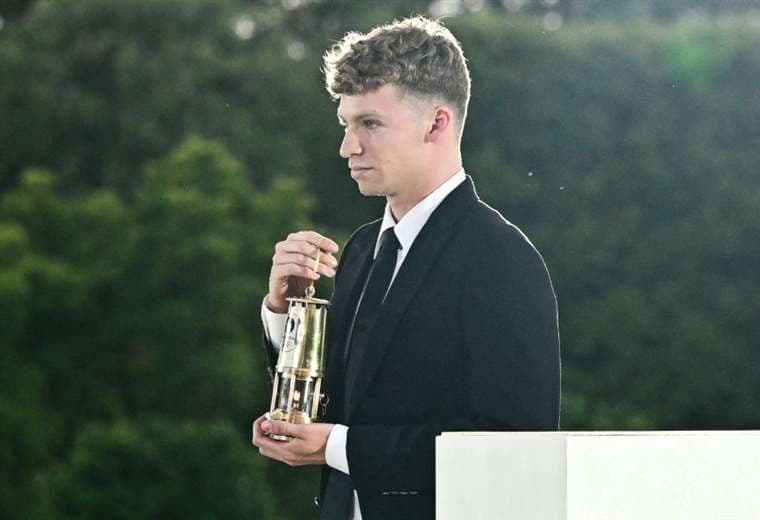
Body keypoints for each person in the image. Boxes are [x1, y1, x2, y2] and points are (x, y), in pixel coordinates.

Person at [252, 16, 560, 520]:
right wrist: (286, 314)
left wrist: (336, 448)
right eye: (346, 125)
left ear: (436, 123)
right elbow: (334, 411)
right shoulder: (359, 250)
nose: (348, 148)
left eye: (370, 124)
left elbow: (514, 448)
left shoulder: (502, 260)